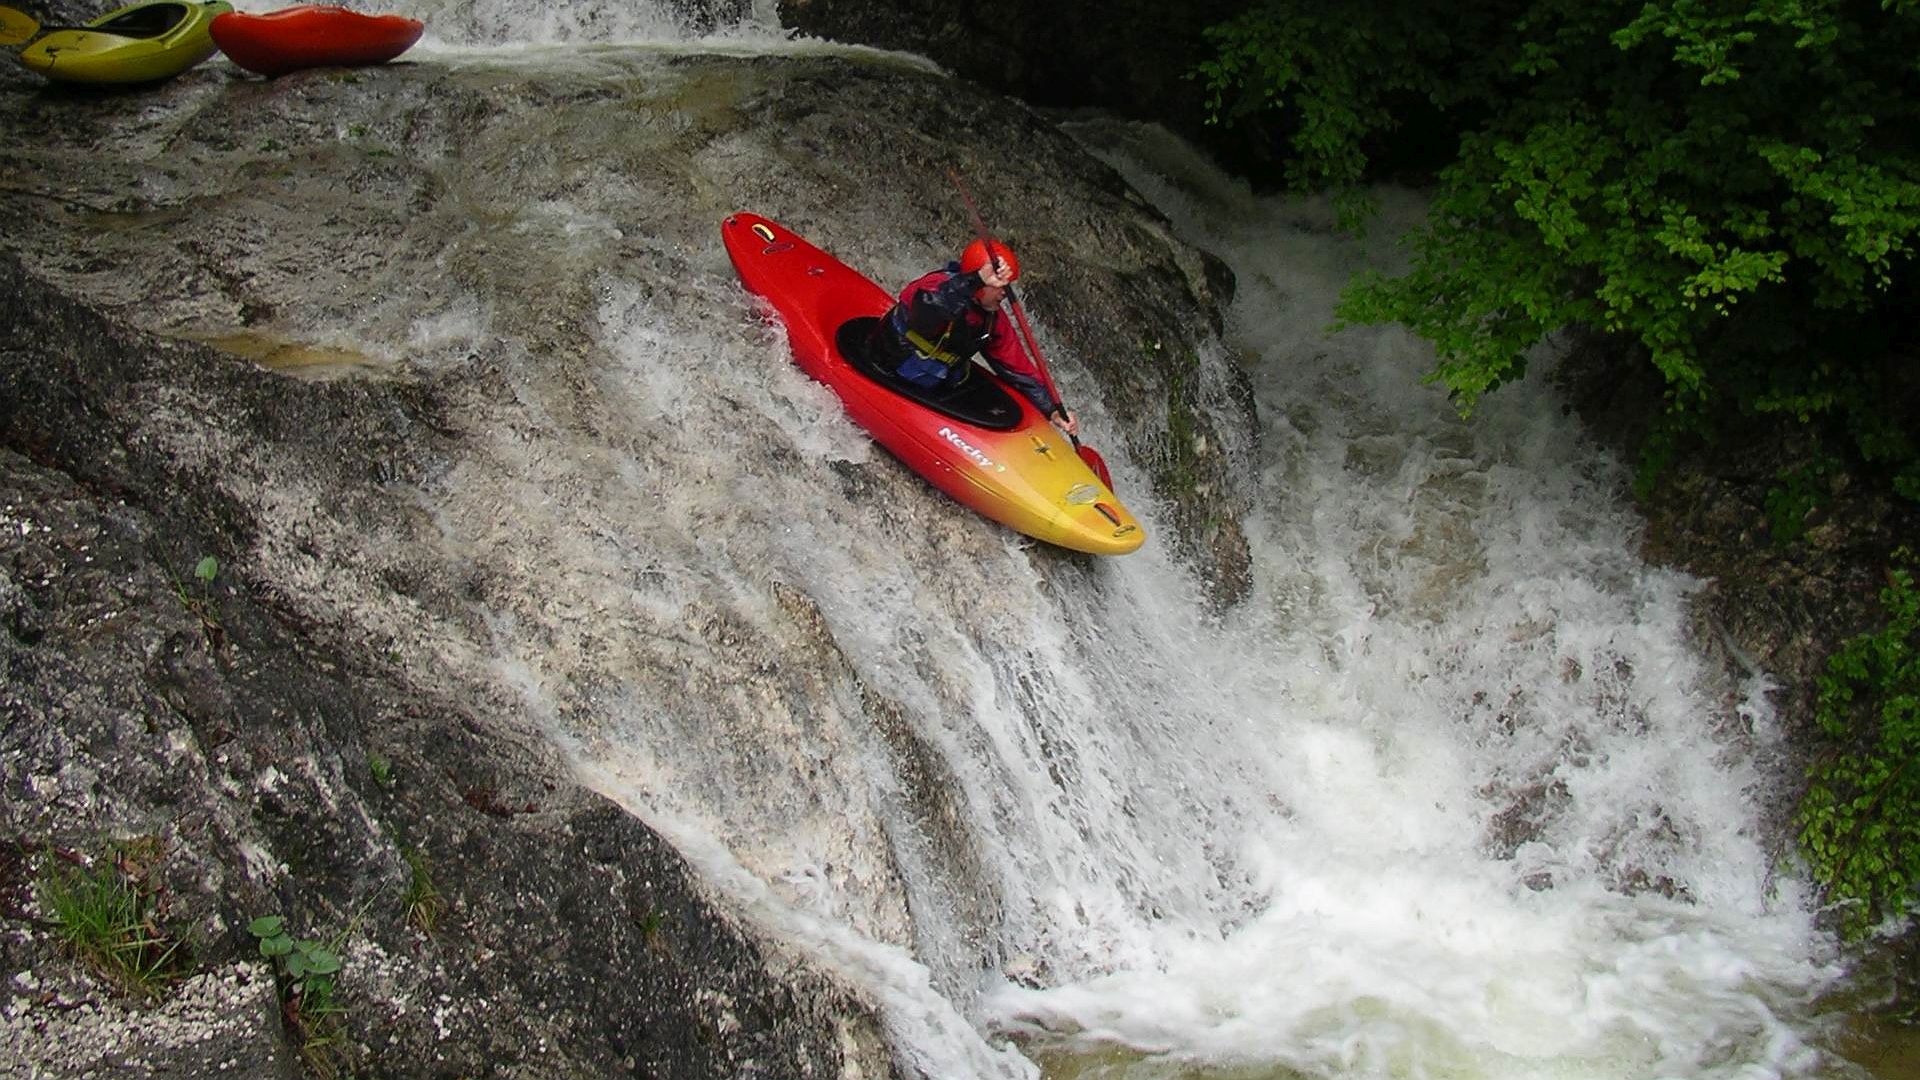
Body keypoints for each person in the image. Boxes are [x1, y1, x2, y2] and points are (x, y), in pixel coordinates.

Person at [868, 238, 1079, 437]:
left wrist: (1052, 409)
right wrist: (975, 280)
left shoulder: (992, 318)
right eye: (999, 286)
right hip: (889, 364)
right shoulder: (936, 286)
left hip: (939, 380)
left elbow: (1018, 368)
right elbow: (927, 314)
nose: (1005, 293)